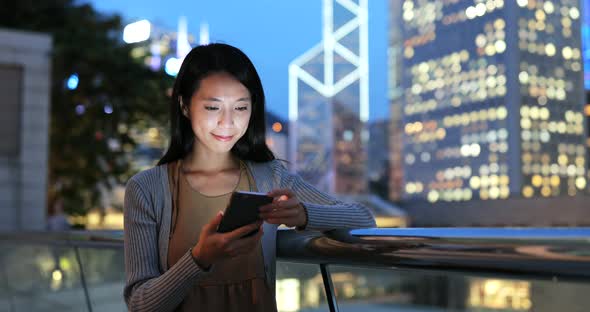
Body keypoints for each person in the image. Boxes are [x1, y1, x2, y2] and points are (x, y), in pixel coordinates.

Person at [123, 43, 376, 312]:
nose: (228, 122)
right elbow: (140, 304)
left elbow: (363, 218)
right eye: (213, 108)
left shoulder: (270, 177)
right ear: (185, 105)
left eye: (241, 108)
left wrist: (303, 215)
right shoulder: (147, 188)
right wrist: (200, 258)